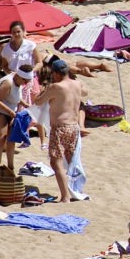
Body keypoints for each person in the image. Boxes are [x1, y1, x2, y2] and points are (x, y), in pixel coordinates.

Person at [32, 57, 85, 202]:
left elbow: (38, 101)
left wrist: (44, 90)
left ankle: (65, 196)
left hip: (60, 127)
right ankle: (74, 191)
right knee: (70, 159)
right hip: (74, 127)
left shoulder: (56, 87)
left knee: (56, 162)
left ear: (55, 73)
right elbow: (85, 93)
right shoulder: (77, 84)